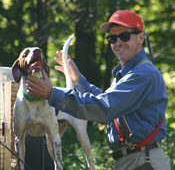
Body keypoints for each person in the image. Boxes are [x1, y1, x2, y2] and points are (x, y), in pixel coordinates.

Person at [26, 10, 170, 170]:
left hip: (143, 162)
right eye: (112, 38)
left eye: (124, 36)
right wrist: (78, 80)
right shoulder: (126, 74)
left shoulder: (143, 74)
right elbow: (107, 113)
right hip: (134, 161)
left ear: (141, 38)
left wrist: (52, 94)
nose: (118, 42)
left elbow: (104, 109)